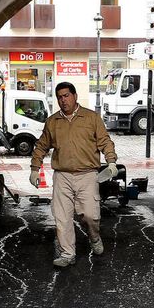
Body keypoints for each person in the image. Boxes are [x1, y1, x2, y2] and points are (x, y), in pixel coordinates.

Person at [30, 82, 119, 267]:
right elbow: (41, 146)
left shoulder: (91, 118)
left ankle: (94, 237)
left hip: (87, 174)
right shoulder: (53, 122)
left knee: (90, 215)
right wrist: (34, 169)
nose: (63, 100)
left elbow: (105, 141)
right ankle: (67, 254)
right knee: (62, 217)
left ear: (75, 96)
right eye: (60, 97)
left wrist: (111, 161)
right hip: (62, 175)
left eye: (66, 95)